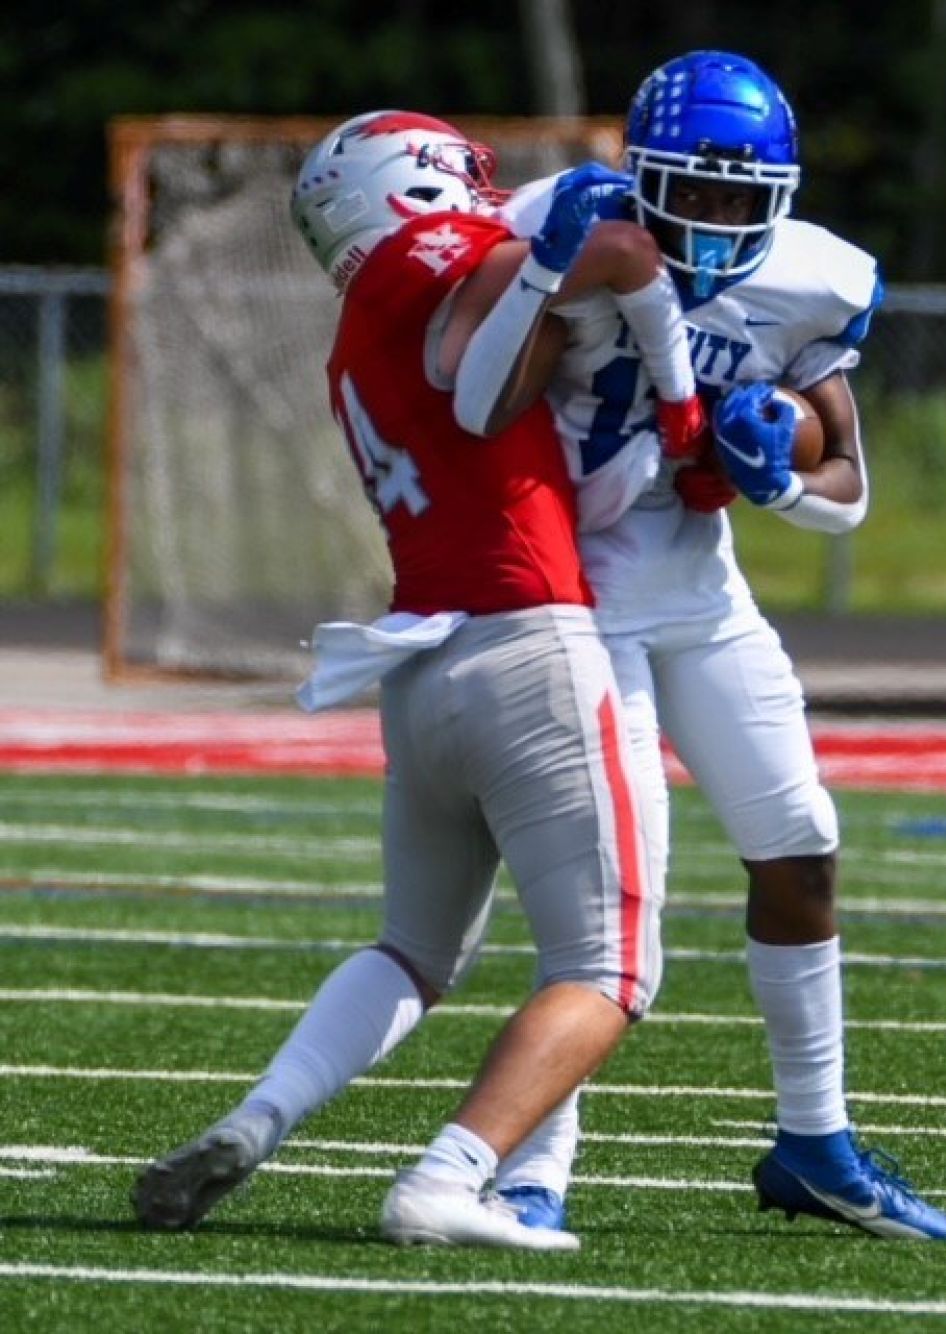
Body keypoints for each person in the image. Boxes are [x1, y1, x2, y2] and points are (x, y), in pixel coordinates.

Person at [130, 109, 703, 1251]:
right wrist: (669, 354)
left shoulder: (354, 335)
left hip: (423, 667)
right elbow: (600, 255)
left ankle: (259, 1116)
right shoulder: (423, 260)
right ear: (416, 184)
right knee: (612, 966)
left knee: (412, 949)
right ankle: (451, 1175)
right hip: (529, 646)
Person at [461, 51, 946, 1242]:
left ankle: (816, 1141)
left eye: (742, 196)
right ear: (639, 174)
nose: (716, 217)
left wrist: (773, 475)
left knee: (802, 847)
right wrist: (547, 273)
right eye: (693, 189)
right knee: (604, 903)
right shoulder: (560, 222)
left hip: (702, 595)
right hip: (574, 602)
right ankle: (532, 1165)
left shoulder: (813, 279)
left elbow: (848, 486)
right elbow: (474, 405)